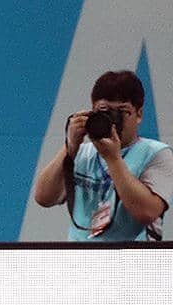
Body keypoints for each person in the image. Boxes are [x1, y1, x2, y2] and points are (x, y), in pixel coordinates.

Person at [34, 70, 173, 240]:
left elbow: (147, 212)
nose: (114, 119)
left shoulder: (157, 154)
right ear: (92, 112)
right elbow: (44, 198)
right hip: (80, 254)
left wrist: (113, 159)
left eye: (122, 111)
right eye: (105, 111)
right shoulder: (82, 152)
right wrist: (70, 146)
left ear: (139, 114)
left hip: (133, 255)